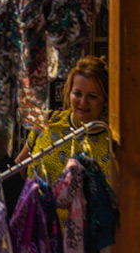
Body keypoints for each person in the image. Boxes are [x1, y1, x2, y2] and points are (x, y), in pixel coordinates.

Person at [15, 56, 112, 185]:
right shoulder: (48, 121)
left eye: (92, 96)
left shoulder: (110, 143)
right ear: (68, 92)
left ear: (105, 101)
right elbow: (19, 167)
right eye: (77, 94)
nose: (83, 102)